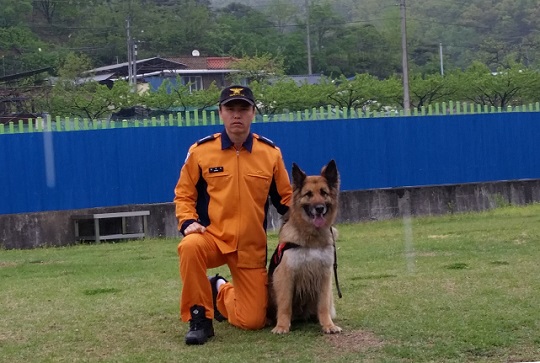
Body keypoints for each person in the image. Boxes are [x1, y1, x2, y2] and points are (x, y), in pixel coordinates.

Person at [173, 85, 292, 345]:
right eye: (230, 109)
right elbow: (183, 194)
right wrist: (188, 222)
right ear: (220, 113)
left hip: (250, 246)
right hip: (213, 238)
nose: (236, 115)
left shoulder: (271, 154)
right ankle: (200, 319)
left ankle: (219, 289)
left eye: (243, 109)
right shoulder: (201, 151)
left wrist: (313, 214)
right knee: (190, 246)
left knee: (253, 322)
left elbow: (285, 199)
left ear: (253, 113)